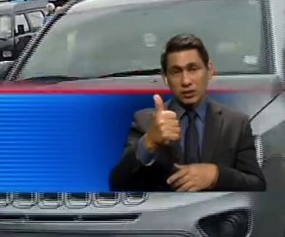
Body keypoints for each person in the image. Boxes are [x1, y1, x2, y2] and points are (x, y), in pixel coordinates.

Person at [108, 34, 266, 192]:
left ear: (210, 70)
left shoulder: (236, 123)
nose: (186, 81)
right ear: (165, 78)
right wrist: (149, 142)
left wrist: (216, 175)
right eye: (176, 72)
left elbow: (257, 184)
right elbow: (117, 183)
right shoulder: (145, 121)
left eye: (193, 69)